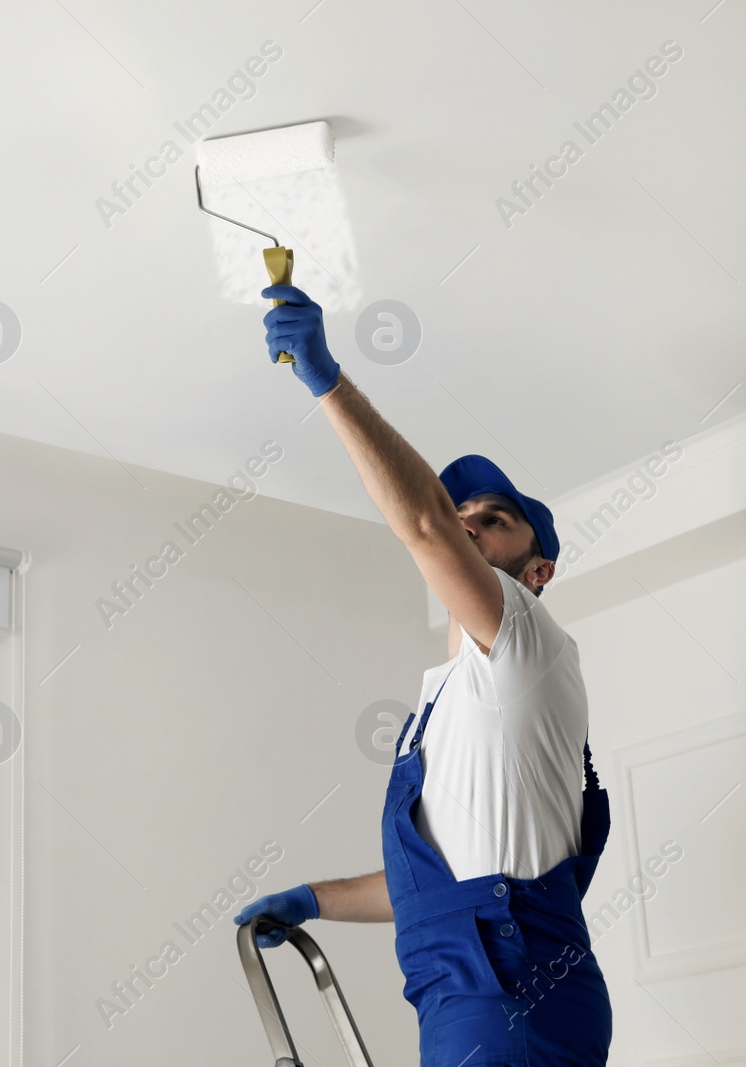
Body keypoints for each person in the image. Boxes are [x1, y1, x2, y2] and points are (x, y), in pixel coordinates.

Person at [235, 286, 613, 1066]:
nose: (469, 520)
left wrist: (328, 381)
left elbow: (424, 522)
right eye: (464, 511)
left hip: (506, 988)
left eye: (493, 519)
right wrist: (317, 900)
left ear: (535, 570)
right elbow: (443, 878)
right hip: (477, 986)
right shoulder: (463, 691)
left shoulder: (522, 634)